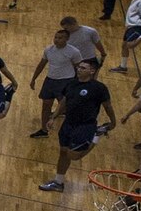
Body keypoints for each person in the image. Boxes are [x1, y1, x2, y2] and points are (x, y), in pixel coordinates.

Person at [39, 58, 118, 193]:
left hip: (85, 125)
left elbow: (108, 106)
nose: (79, 70)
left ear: (92, 71)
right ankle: (58, 182)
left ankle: (97, 136)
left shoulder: (99, 88)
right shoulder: (71, 84)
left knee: (74, 156)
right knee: (63, 152)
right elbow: (64, 101)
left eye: (83, 68)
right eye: (79, 67)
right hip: (68, 123)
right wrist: (53, 117)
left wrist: (113, 122)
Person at [29, 28, 85, 139]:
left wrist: (79, 83)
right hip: (50, 81)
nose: (57, 40)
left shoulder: (74, 52)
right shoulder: (48, 50)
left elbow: (79, 68)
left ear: (67, 39)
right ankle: (44, 130)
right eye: (56, 37)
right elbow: (42, 64)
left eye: (60, 38)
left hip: (66, 82)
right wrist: (33, 78)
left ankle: (71, 130)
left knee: (67, 108)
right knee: (46, 106)